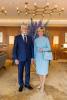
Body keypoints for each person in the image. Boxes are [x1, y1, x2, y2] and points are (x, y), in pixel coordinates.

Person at [13, 23, 34, 92]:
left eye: (26, 28)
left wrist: (32, 57)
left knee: (28, 72)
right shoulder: (17, 37)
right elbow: (15, 49)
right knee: (20, 72)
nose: (25, 29)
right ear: (21, 29)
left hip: (28, 59)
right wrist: (15, 58)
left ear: (27, 30)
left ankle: (27, 84)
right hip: (20, 59)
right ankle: (21, 85)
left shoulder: (30, 38)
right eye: (23, 28)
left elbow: (32, 48)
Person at [34, 27, 51, 94]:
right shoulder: (36, 40)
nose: (40, 32)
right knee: (39, 72)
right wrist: (34, 58)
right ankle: (40, 84)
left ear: (43, 32)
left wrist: (43, 49)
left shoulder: (46, 39)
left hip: (44, 58)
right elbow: (34, 50)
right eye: (39, 31)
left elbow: (49, 48)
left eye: (41, 31)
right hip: (38, 58)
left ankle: (42, 87)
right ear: (37, 32)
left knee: (44, 72)